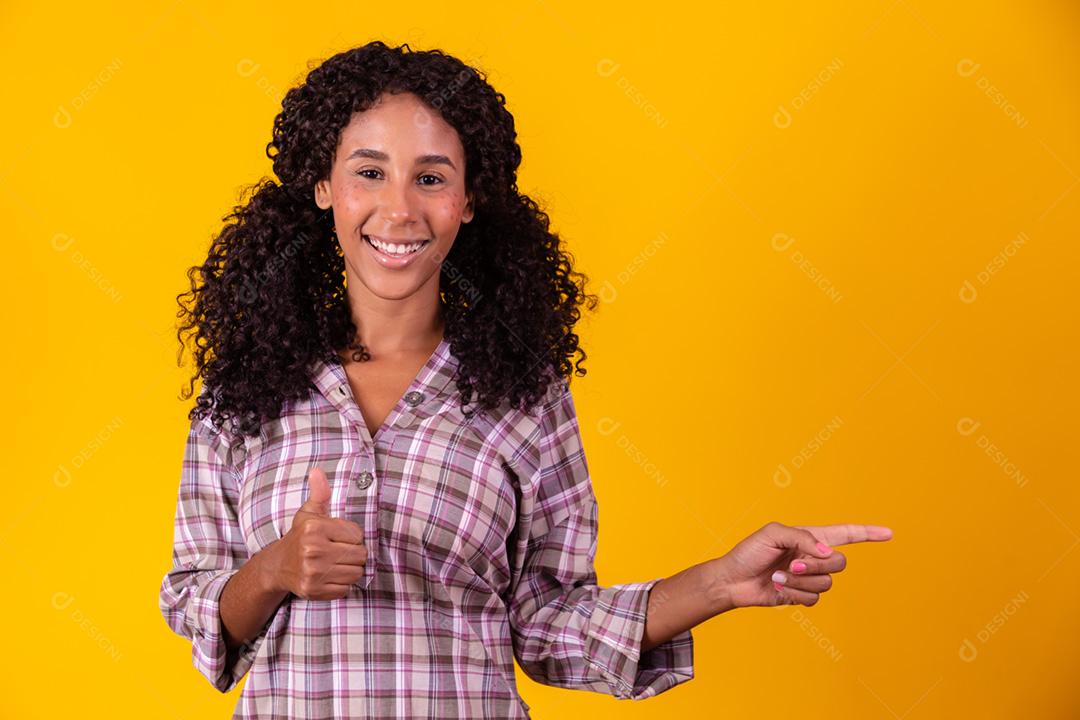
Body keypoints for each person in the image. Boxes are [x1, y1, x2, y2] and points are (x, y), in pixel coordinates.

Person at [158, 40, 893, 719]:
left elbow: (546, 623)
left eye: (432, 178)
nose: (400, 208)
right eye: (370, 172)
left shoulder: (523, 396)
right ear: (323, 186)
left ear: (469, 201)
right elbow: (195, 603)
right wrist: (275, 569)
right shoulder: (245, 391)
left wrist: (719, 584)